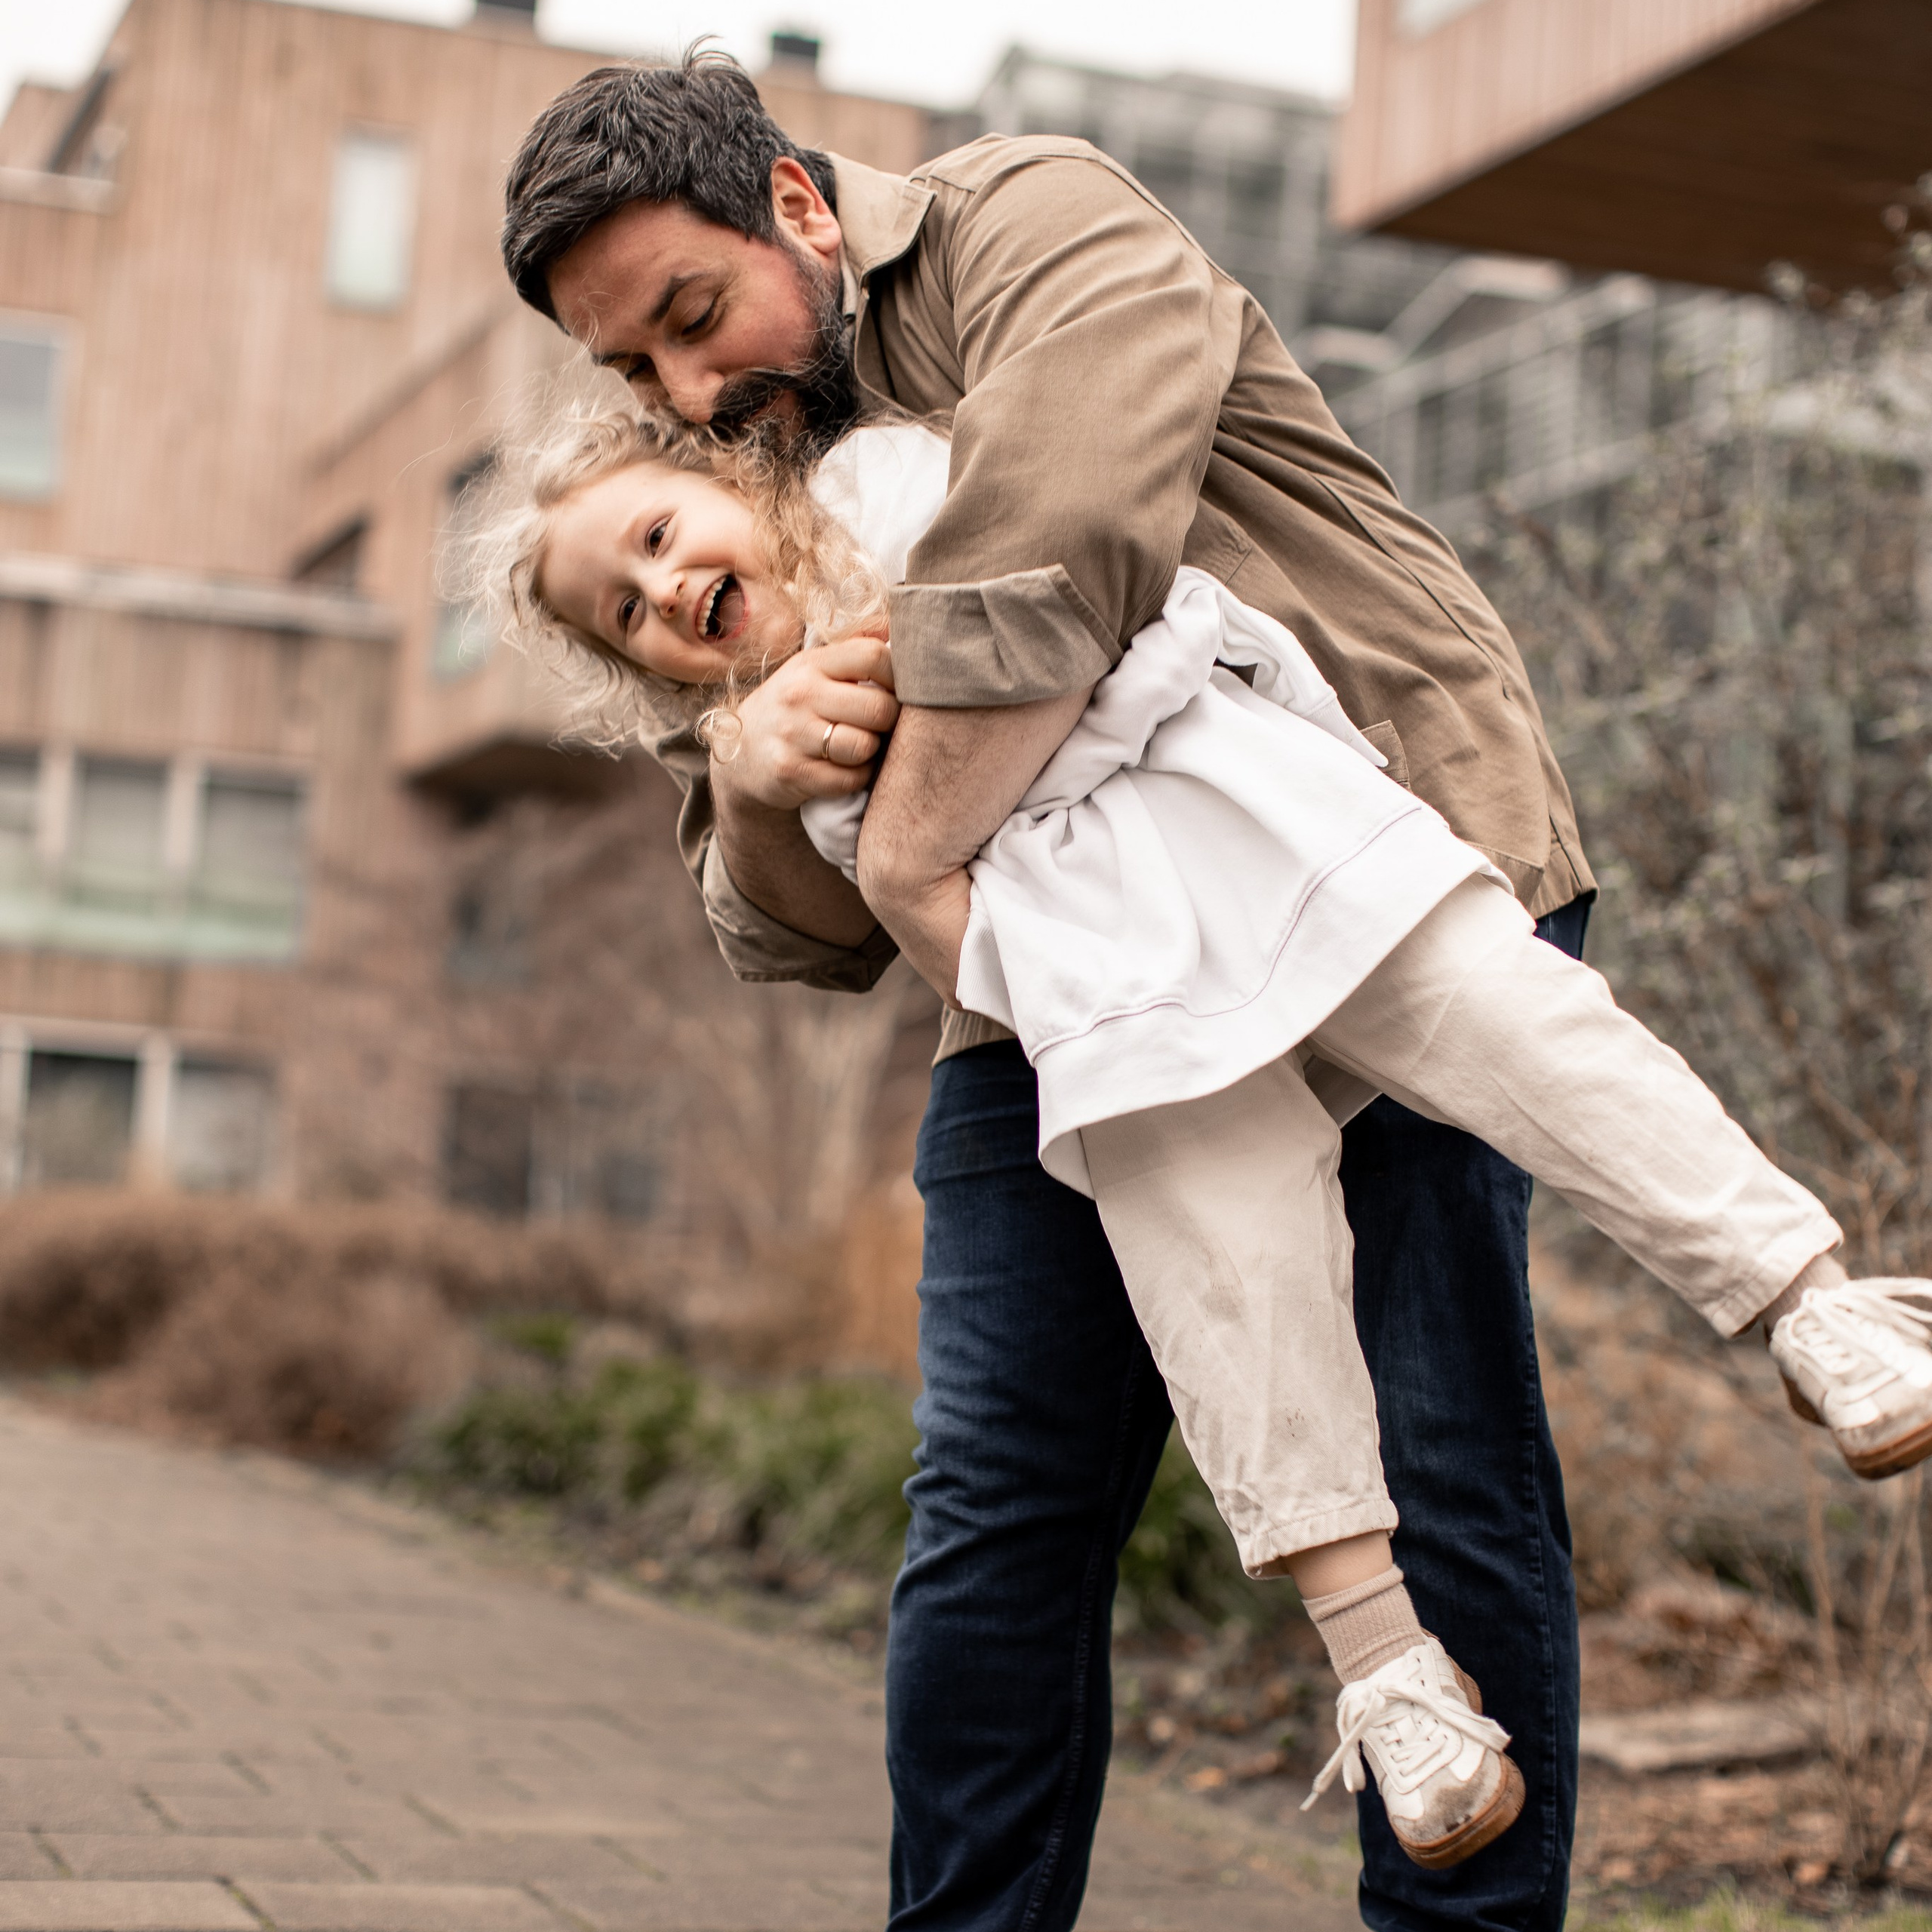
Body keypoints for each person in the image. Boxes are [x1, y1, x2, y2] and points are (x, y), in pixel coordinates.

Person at [471, 401, 1932, 1873]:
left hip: (1260, 829)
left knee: (1524, 1023)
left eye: (658, 536)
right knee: (1224, 1286)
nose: (661, 589)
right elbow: (906, 907)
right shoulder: (784, 749)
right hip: (1114, 990)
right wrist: (829, 813)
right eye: (624, 612)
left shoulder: (882, 484)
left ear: (733, 481)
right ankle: (1386, 1672)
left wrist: (931, 767)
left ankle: (1811, 1303)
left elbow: (1058, 598)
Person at [497, 51, 1597, 1929]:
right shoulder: (731, 473)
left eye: (690, 320)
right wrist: (760, 780)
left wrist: (906, 847)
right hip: (1063, 989)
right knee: (996, 1508)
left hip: (1375, 875)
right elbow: (784, 927)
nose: (687, 398)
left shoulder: (1037, 219)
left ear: (796, 203)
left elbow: (1051, 551)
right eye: (635, 376)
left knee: (1438, 1459)